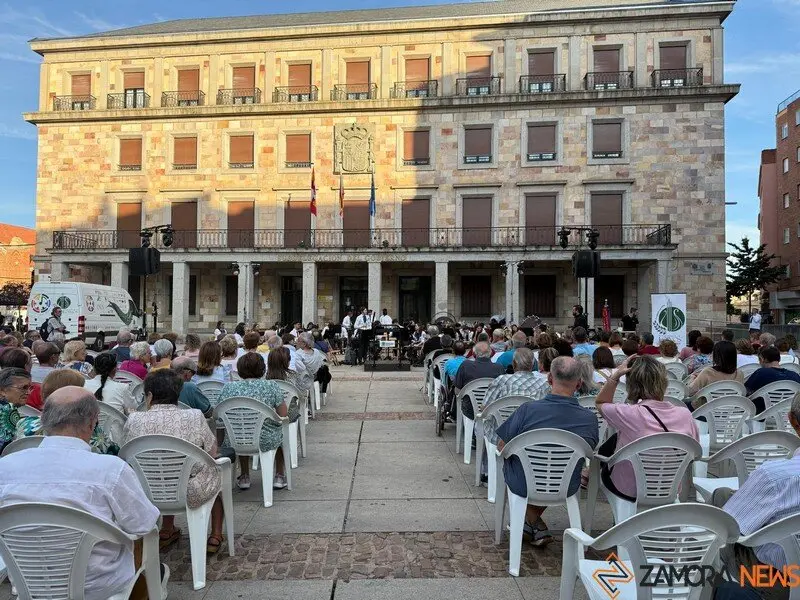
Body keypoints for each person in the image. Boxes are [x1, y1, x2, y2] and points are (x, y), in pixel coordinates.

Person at [0, 385, 164, 599]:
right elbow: (144, 525)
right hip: (99, 587)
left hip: (29, 582)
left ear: (44, 420)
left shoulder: (4, 468)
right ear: (91, 423)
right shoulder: (111, 470)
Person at [495, 357, 599, 546]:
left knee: (515, 462)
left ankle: (530, 521)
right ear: (579, 384)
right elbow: (589, 451)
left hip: (524, 482)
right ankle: (532, 524)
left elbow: (501, 446)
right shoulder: (589, 419)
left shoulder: (527, 410)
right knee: (556, 471)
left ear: (550, 378)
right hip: (565, 482)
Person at [123, 369, 226, 554]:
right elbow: (212, 451)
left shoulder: (134, 419)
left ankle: (167, 528)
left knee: (164, 470)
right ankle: (215, 534)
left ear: (149, 395)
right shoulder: (194, 416)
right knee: (213, 477)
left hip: (147, 490)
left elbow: (126, 450)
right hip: (189, 490)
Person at [711, 392, 800, 600]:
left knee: (719, 520)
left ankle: (700, 581)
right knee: (724, 496)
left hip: (782, 582)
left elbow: (730, 529)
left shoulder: (773, 477)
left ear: (792, 420)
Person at [595, 355, 699, 501]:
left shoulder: (628, 413)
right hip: (670, 487)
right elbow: (695, 454)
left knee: (616, 439)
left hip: (629, 489)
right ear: (664, 382)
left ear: (631, 384)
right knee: (617, 438)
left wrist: (615, 376)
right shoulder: (685, 414)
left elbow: (600, 402)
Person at [218, 353, 289, 490]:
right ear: (262, 369)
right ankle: (279, 475)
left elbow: (219, 414)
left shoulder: (228, 388)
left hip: (234, 440)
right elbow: (283, 414)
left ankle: (244, 475)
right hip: (265, 439)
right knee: (279, 432)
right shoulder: (271, 386)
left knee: (241, 427)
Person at [482, 348, 550, 443]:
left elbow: (485, 408)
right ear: (533, 364)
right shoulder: (544, 385)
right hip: (531, 438)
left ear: (514, 363)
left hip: (499, 437)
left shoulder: (501, 381)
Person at [453, 341, 505, 421]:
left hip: (470, 410)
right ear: (491, 353)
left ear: (474, 353)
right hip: (492, 411)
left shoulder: (466, 365)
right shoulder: (499, 368)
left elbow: (457, 391)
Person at [745, 346, 800, 413]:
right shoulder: (795, 375)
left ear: (762, 359)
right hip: (786, 415)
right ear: (779, 359)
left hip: (762, 415)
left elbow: (745, 392)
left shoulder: (761, 373)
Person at [0, 367, 33, 453]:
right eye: (24, 387)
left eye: (30, 388)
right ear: (2, 390)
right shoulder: (8, 411)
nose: (29, 392)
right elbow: (5, 450)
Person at [296, 332, 331, 397]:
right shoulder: (317, 352)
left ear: (304, 343)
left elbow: (298, 369)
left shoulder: (298, 354)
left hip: (304, 380)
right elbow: (321, 364)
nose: (296, 342)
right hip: (317, 378)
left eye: (298, 340)